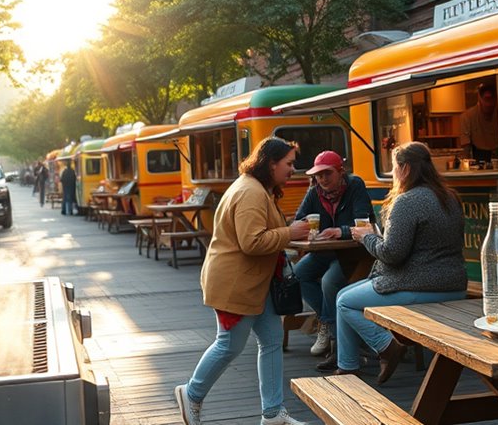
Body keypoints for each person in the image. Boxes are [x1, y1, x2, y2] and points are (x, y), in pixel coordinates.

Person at [175, 137, 312, 425]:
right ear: (271, 163)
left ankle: (273, 413)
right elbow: (252, 242)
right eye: (288, 163)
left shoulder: (255, 187)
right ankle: (192, 394)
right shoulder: (251, 192)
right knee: (229, 345)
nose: (293, 169)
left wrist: (291, 232)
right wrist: (290, 234)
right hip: (238, 284)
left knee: (272, 341)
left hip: (252, 284)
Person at [335, 141, 467, 384]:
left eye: (394, 167)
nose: (392, 173)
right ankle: (347, 366)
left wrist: (367, 237)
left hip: (420, 285)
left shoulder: (406, 201)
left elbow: (392, 254)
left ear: (405, 169)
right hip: (454, 283)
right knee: (344, 294)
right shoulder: (450, 197)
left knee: (343, 302)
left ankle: (386, 348)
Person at [291, 150, 373, 371]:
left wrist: (341, 230)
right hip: (325, 252)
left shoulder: (355, 186)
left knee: (329, 282)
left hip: (354, 254)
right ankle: (327, 322)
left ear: (340, 172)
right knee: (298, 274)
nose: (322, 179)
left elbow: (365, 224)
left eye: (327, 174)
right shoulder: (314, 192)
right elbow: (298, 221)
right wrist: (307, 228)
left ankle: (338, 348)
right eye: (318, 175)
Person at [460, 81, 498, 162]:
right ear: (480, 99)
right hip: (479, 157)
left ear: (496, 99)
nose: (489, 104)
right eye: (486, 99)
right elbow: (466, 147)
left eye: (491, 99)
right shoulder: (467, 116)